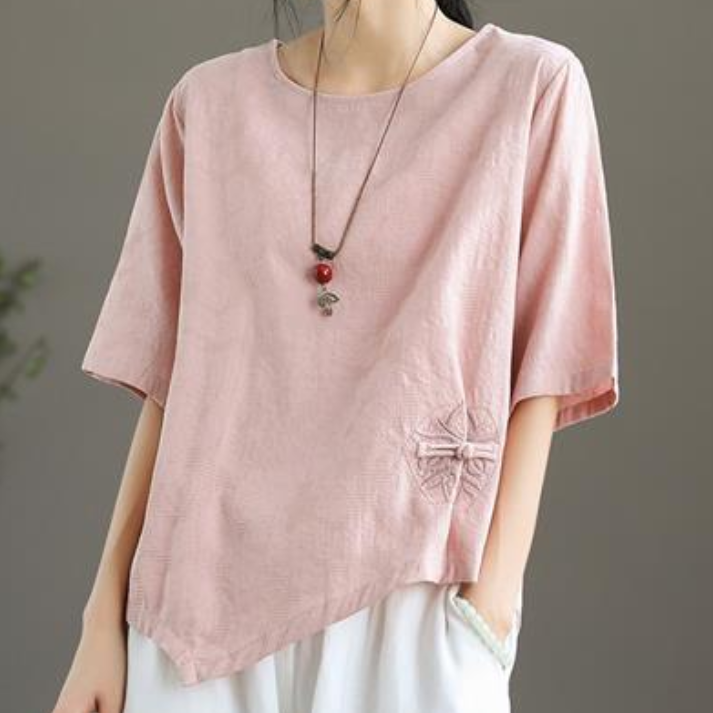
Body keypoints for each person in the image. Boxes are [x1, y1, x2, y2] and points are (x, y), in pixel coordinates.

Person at [52, 0, 620, 711]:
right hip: (193, 618)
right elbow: (173, 386)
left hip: (410, 591)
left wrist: (489, 608)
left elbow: (546, 362)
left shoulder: (530, 86)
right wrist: (101, 618)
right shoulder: (209, 104)